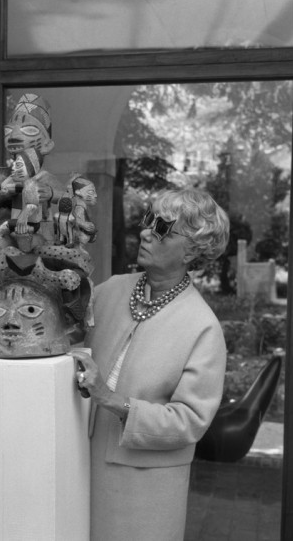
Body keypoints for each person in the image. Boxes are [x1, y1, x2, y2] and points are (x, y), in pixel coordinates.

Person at [71, 187, 230, 541]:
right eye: (148, 220)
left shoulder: (202, 326)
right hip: (79, 468)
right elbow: (60, 336)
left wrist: (112, 399)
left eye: (162, 227)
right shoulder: (110, 290)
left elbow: (190, 421)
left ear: (191, 249)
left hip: (145, 489)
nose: (146, 231)